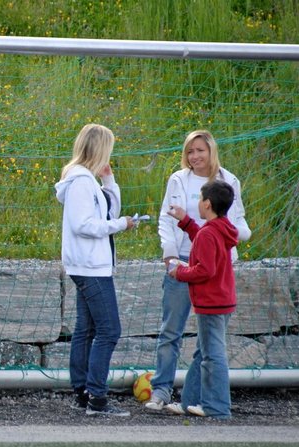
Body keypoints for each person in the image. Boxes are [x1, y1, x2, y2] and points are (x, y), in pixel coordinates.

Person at [146, 130, 250, 414]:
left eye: (200, 150)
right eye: (190, 151)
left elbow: (238, 227)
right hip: (181, 260)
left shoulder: (229, 181)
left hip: (211, 273)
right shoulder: (178, 179)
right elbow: (168, 220)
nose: (194, 156)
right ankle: (164, 392)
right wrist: (170, 256)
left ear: (211, 150)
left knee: (211, 348)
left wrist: (220, 237)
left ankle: (215, 405)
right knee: (172, 331)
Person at [54, 123, 135, 417]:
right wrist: (120, 225)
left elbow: (108, 210)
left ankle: (83, 392)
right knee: (109, 330)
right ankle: (97, 398)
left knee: (86, 329)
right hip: (90, 267)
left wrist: (109, 180)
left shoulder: (90, 181)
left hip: (92, 265)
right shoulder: (80, 183)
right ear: (100, 149)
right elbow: (84, 225)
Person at [166, 179, 238, 419]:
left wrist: (180, 272)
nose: (198, 202)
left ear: (207, 204)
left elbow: (204, 270)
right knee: (203, 353)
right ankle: (191, 401)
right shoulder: (220, 227)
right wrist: (186, 221)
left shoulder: (210, 232)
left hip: (211, 303)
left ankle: (217, 407)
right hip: (223, 300)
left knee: (212, 355)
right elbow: (205, 241)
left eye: (199, 199)